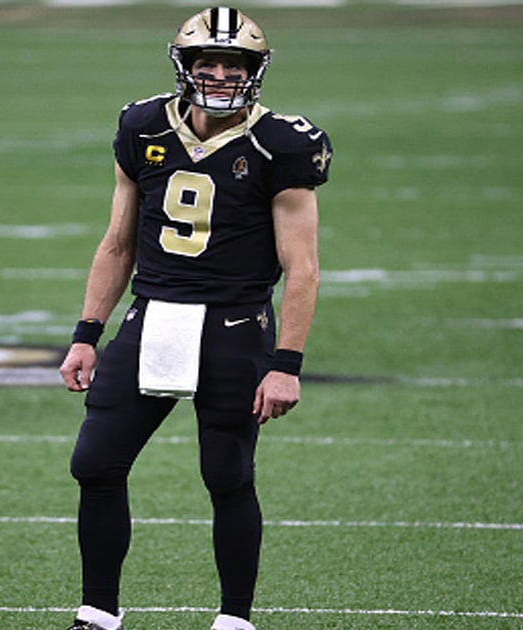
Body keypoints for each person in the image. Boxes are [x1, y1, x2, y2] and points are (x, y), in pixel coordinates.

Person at [59, 7, 331, 630]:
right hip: (151, 314)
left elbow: (304, 267)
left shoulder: (282, 143)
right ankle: (97, 612)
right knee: (95, 463)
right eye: (207, 61)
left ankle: (234, 620)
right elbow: (117, 243)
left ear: (254, 71)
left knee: (226, 473)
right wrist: (85, 335)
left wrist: (286, 364)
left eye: (232, 63)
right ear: (184, 66)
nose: (218, 73)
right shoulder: (143, 125)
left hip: (233, 326)